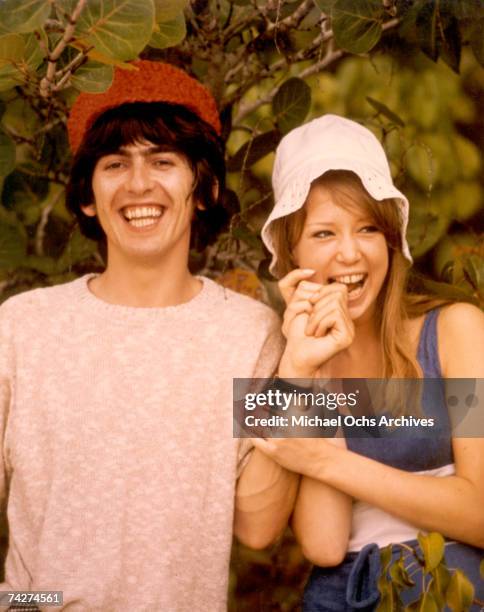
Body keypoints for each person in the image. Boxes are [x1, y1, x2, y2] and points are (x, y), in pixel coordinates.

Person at [0, 60, 296, 611]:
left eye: (162, 161)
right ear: (88, 195)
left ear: (203, 186)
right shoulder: (22, 327)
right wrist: (27, 601)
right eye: (115, 164)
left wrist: (303, 371)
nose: (139, 184)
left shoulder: (252, 333)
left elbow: (259, 527)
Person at [253, 115, 484, 610]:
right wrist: (307, 365)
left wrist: (325, 460)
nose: (350, 253)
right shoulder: (278, 355)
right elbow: (323, 544)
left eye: (367, 229)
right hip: (340, 598)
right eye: (323, 234)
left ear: (390, 242)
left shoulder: (458, 329)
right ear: (290, 252)